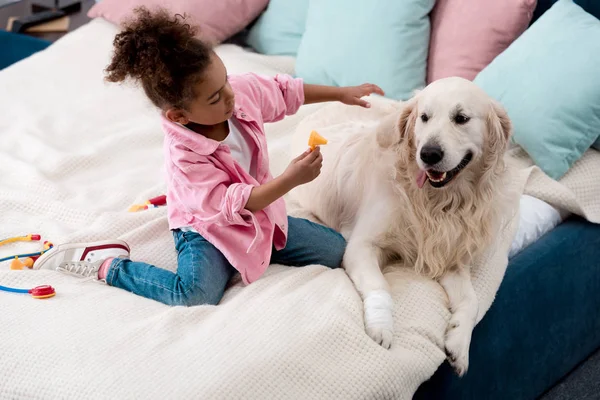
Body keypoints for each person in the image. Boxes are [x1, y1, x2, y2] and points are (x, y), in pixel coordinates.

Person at [34, 7, 385, 306]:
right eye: (215, 98)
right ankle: (107, 265)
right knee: (194, 295)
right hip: (208, 228)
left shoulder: (237, 93)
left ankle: (250, 251)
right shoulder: (186, 158)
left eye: (226, 82)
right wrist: (290, 180)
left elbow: (283, 90)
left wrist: (341, 93)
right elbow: (232, 204)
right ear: (179, 116)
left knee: (336, 250)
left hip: (257, 216)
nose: (230, 97)